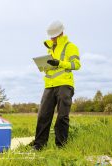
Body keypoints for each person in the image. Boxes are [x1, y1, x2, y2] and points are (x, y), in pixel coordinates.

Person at [32, 21, 81, 150]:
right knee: (43, 115)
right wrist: (45, 66)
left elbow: (76, 65)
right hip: (49, 85)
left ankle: (61, 146)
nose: (52, 38)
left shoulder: (71, 47)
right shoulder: (49, 48)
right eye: (51, 36)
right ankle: (39, 145)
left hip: (65, 85)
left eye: (55, 36)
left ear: (61, 33)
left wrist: (59, 63)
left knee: (62, 116)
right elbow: (51, 67)